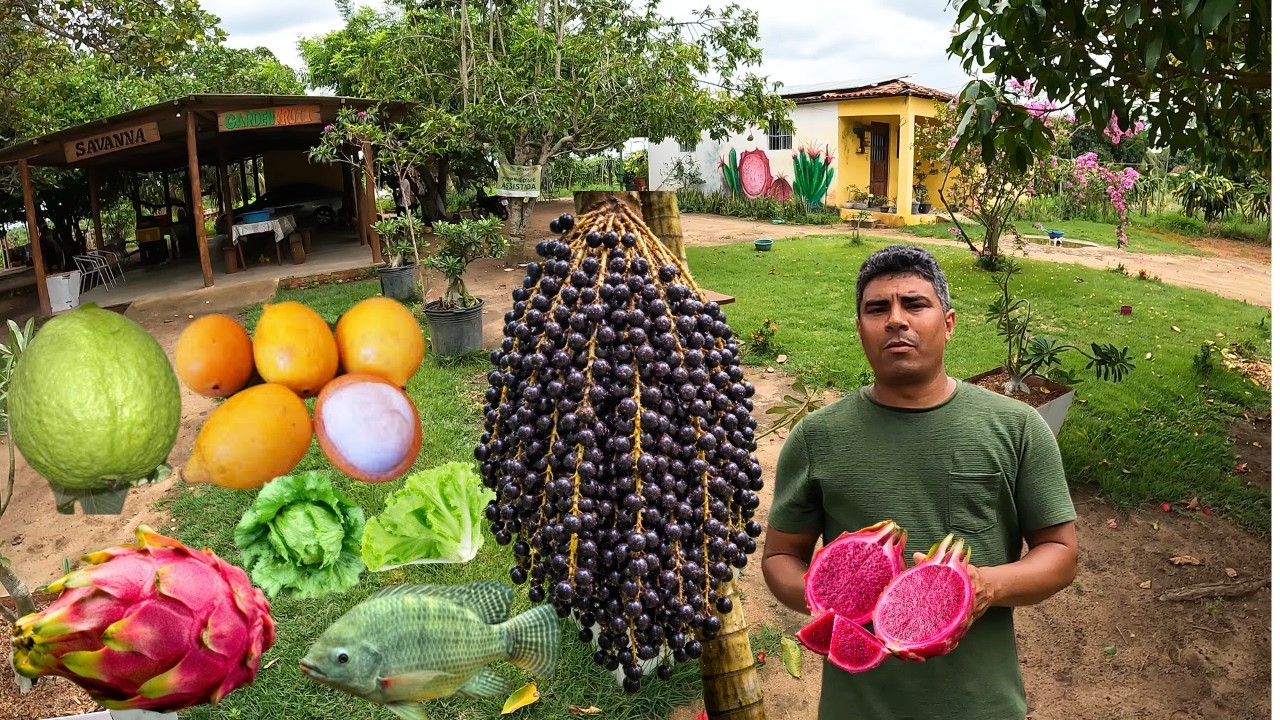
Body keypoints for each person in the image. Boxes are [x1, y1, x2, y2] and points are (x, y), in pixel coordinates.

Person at [761, 244, 1079, 720]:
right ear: (860, 329)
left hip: (981, 706)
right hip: (856, 709)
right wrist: (828, 595)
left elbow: (1061, 553)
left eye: (914, 304)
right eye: (877, 309)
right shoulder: (816, 437)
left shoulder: (1017, 427)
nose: (896, 320)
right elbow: (780, 556)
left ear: (947, 324)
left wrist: (985, 586)